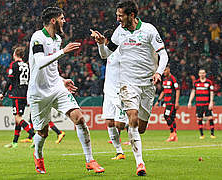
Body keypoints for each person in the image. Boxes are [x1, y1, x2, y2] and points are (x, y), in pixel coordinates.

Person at [93, 1, 169, 176]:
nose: (118, 19)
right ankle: (139, 163)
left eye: (121, 16)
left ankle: (135, 143)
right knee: (132, 117)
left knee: (141, 127)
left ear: (132, 15)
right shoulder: (119, 32)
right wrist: (100, 44)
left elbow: (163, 54)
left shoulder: (149, 30)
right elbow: (106, 54)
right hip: (128, 83)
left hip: (148, 84)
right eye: (117, 15)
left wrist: (158, 72)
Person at [27, 7, 104, 174]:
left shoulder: (57, 39)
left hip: (56, 88)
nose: (64, 21)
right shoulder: (38, 38)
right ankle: (38, 155)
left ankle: (90, 160)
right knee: (43, 132)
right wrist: (63, 51)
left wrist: (62, 80)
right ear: (53, 20)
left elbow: (51, 68)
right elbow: (39, 62)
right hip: (38, 93)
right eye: (62, 18)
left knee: (79, 118)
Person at [91, 29, 127, 160]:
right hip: (108, 92)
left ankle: (132, 120)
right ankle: (119, 152)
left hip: (120, 92)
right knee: (109, 122)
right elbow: (103, 54)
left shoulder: (121, 51)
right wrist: (99, 43)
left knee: (120, 125)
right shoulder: (108, 52)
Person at [0, 47, 35, 148]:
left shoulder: (14, 65)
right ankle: (15, 142)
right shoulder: (26, 66)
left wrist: (3, 93)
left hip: (16, 93)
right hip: (24, 94)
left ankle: (34, 136)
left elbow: (9, 80)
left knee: (18, 118)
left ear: (15, 54)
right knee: (18, 118)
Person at [188, 68, 216, 139]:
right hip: (199, 104)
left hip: (206, 103)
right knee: (199, 118)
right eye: (201, 73)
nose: (202, 74)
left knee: (210, 118)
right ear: (198, 74)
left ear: (205, 74)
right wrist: (190, 101)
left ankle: (212, 134)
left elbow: (211, 92)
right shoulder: (196, 83)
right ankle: (201, 134)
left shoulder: (209, 82)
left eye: (203, 73)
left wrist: (211, 102)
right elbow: (193, 92)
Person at [155, 65, 180, 142]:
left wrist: (176, 102)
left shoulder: (173, 79)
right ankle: (173, 135)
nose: (164, 72)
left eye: (165, 70)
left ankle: (173, 133)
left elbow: (177, 90)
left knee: (167, 116)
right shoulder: (164, 79)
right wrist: (158, 101)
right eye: (163, 70)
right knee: (170, 117)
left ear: (169, 70)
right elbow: (163, 91)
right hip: (166, 101)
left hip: (171, 102)